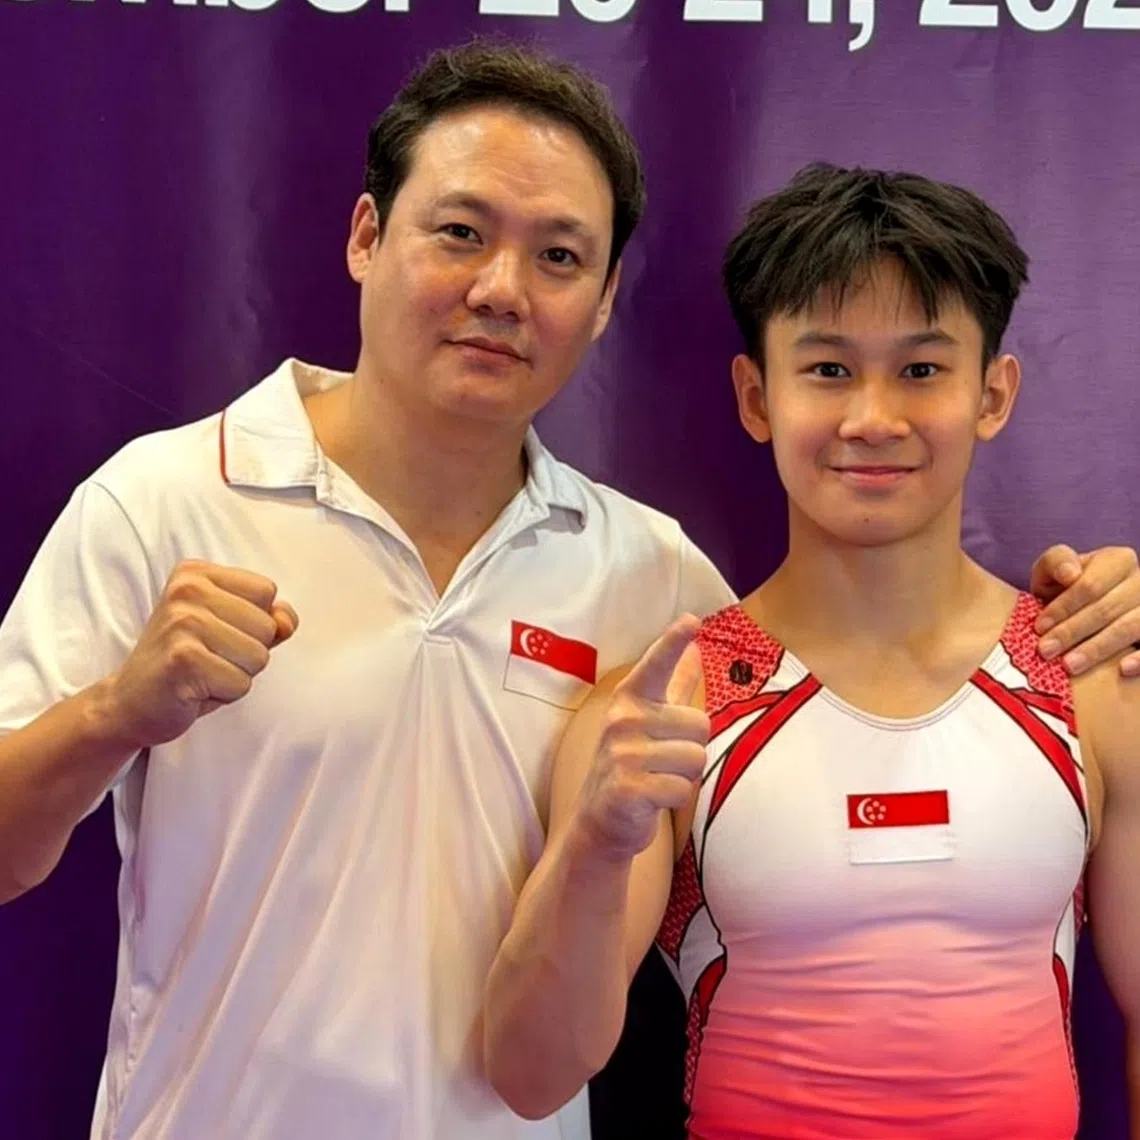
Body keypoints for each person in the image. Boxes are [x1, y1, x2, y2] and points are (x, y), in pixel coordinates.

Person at [0, 40, 1135, 1140]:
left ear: (600, 300)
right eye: (459, 233)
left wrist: (1093, 608)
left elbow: (843, 675)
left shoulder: (651, 582)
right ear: (366, 234)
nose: (501, 289)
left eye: (557, 256)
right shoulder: (161, 500)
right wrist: (116, 714)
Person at [484, 164, 1140, 1140]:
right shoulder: (666, 715)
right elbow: (532, 1075)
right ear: (757, 396)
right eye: (828, 368)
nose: (872, 419)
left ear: (994, 393)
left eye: (921, 369)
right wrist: (592, 844)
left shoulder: (1093, 681)